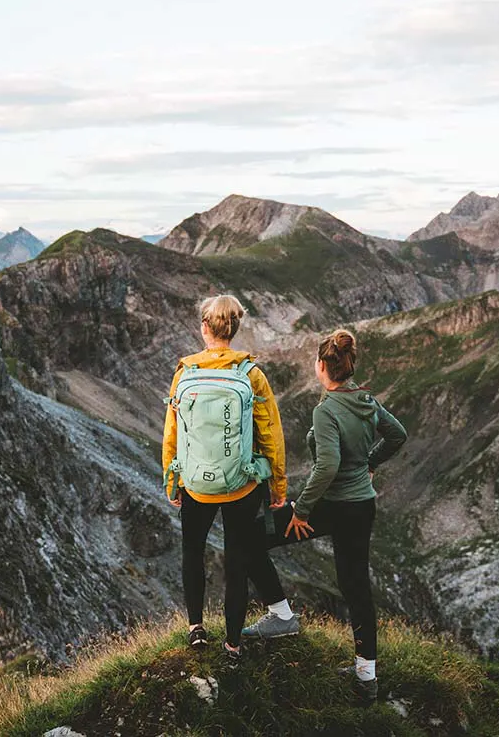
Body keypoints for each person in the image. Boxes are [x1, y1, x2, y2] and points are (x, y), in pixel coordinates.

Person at [253, 328, 406, 702]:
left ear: (322, 366)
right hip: (361, 506)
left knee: (251, 537)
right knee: (356, 588)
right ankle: (365, 678)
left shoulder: (326, 410)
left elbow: (327, 466)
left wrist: (300, 510)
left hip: (332, 506)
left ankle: (281, 616)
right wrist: (370, 464)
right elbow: (398, 434)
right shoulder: (366, 400)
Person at [163, 295, 298, 665]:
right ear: (234, 329)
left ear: (204, 328)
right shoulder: (251, 374)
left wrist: (172, 479)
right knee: (236, 561)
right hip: (242, 484)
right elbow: (271, 434)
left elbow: (172, 432)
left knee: (193, 551)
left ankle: (195, 628)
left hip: (195, 485)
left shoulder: (184, 374)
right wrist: (278, 487)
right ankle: (233, 645)